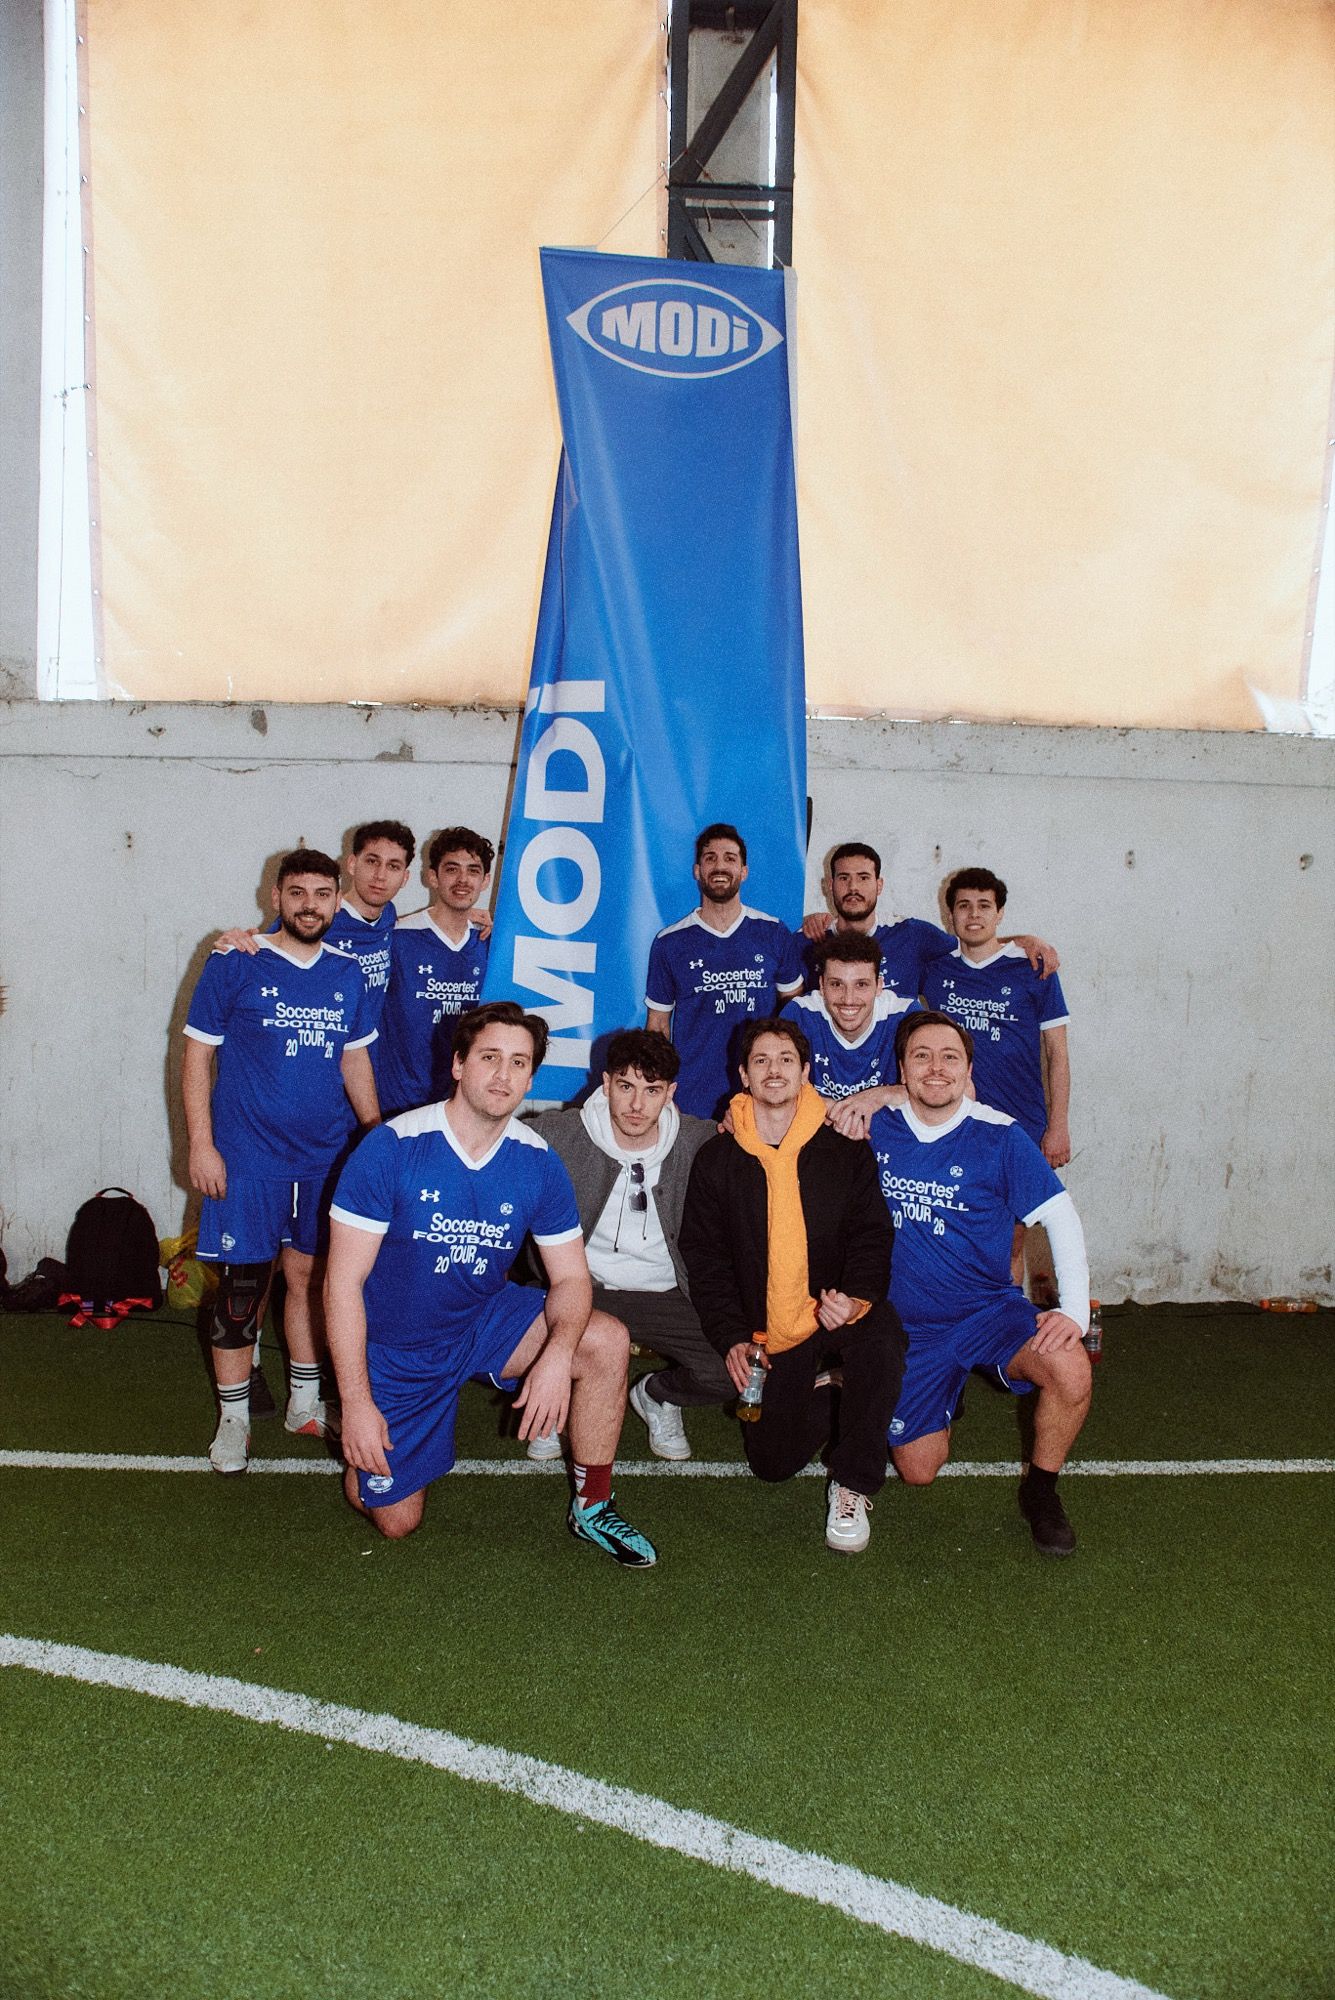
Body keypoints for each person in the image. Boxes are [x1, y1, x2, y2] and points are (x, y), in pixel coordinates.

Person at [323, 1001, 657, 1567]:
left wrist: (557, 1355)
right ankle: (363, 1439)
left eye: (519, 1063)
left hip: (481, 1318)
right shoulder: (391, 1148)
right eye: (490, 1057)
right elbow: (341, 1285)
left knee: (604, 1340)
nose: (504, 1075)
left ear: (531, 1078)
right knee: (398, 1522)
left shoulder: (537, 1161)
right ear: (458, 1064)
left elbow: (572, 1278)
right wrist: (355, 1402)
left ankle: (593, 1507)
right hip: (400, 1348)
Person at [182, 849, 381, 1475]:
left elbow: (354, 1058)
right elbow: (196, 1057)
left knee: (315, 1279)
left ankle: (303, 1402)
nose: (310, 905)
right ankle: (234, 1420)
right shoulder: (234, 961)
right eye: (298, 893)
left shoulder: (348, 972)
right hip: (246, 1159)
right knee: (244, 1288)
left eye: (323, 894)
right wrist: (201, 1144)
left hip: (325, 1158)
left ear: (337, 900)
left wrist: (375, 1134)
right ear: (276, 897)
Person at [869, 1011, 1092, 1556]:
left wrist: (1074, 1312)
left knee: (1070, 1366)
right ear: (902, 1068)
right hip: (909, 1330)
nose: (936, 1068)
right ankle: (939, 1387)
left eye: (950, 1057)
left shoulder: (999, 1135)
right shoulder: (876, 1127)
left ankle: (1041, 1491)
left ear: (969, 1070)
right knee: (919, 1471)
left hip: (988, 1312)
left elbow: (1059, 1216)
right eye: (922, 1056)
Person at [680, 1017, 905, 1555]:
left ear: (805, 1071)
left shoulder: (843, 1148)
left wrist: (854, 1297)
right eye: (761, 1060)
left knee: (882, 1336)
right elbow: (706, 1259)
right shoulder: (718, 1157)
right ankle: (834, 1387)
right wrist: (734, 1336)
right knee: (772, 1464)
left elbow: (872, 1234)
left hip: (832, 1309)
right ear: (743, 1075)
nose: (774, 1070)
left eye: (785, 1059)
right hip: (770, 1329)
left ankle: (852, 1484)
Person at [522, 1029, 731, 1464]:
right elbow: (490, 1133)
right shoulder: (559, 1134)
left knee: (733, 1371)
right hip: (584, 1290)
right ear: (605, 1083)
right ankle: (557, 1409)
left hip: (668, 1294)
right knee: (528, 1338)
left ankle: (658, 1395)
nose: (636, 1105)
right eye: (625, 1086)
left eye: (652, 1090)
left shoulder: (700, 1141)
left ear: (670, 1093)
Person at [645, 823, 804, 1119]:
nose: (720, 866)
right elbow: (658, 1026)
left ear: (744, 871)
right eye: (710, 858)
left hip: (763, 1095)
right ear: (697, 871)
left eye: (730, 858)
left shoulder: (773, 933)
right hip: (693, 1098)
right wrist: (660, 1088)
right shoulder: (670, 943)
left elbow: (796, 1015)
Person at [216, 821, 416, 1030]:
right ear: (352, 864)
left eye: (393, 866)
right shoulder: (316, 918)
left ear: (405, 878)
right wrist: (234, 941)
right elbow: (264, 955)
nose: (380, 876)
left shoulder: (388, 915)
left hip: (361, 1046)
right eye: (372, 861)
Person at [801, 840, 1059, 1002]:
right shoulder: (809, 939)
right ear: (829, 886)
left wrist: (1021, 940)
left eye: (863, 877)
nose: (853, 887)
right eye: (844, 878)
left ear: (879, 885)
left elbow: (972, 946)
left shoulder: (912, 934)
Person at [375, 827, 493, 1117]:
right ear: (432, 877)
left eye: (473, 871)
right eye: (452, 869)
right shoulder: (398, 937)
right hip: (396, 1105)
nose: (463, 880)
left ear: (485, 881)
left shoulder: (490, 944)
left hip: (460, 1108)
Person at [781, 933, 918, 1101]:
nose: (848, 999)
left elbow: (939, 1085)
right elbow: (772, 1085)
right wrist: (824, 1106)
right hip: (818, 1116)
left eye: (861, 985)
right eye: (837, 984)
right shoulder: (799, 1013)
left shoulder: (906, 1014)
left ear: (879, 986)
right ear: (822, 985)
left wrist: (882, 1095)